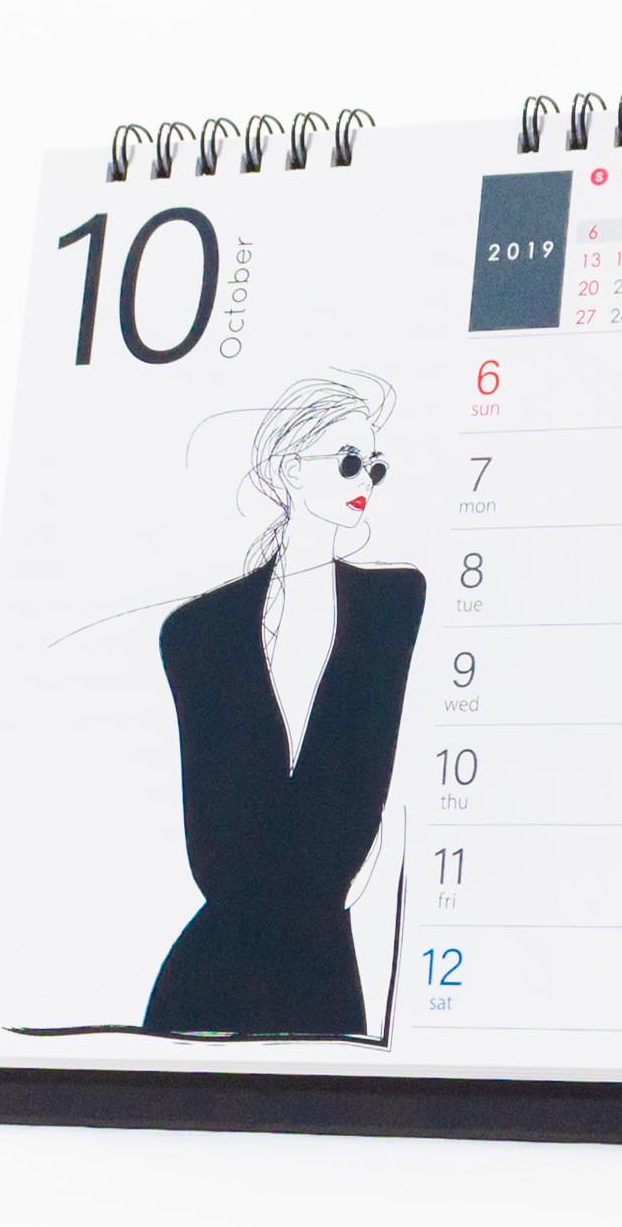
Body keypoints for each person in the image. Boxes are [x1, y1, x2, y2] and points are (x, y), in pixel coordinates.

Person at [143, 374, 425, 1037]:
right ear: (293, 469)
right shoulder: (198, 632)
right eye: (349, 462)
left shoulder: (395, 606)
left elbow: (366, 814)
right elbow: (214, 852)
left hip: (323, 970)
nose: (366, 480)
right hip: (213, 981)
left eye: (375, 466)